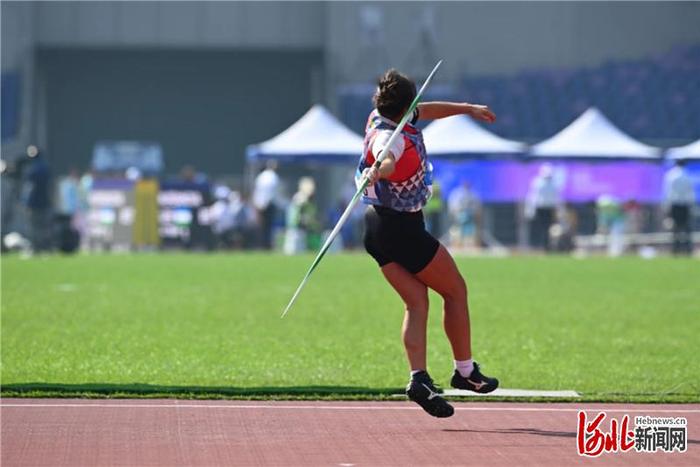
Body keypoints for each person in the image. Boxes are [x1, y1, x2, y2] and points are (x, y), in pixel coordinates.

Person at [357, 69, 499, 418]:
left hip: (376, 228)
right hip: (401, 229)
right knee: (455, 291)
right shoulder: (391, 138)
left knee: (417, 302)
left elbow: (427, 111)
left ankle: (418, 378)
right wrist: (380, 168)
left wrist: (467, 108)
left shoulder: (380, 115)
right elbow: (386, 156)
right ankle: (465, 372)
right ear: (407, 106)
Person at [525, 164, 562, 252]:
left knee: (548, 228)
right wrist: (530, 209)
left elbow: (556, 198)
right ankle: (538, 245)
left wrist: (558, 209)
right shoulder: (537, 182)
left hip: (550, 208)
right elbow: (533, 196)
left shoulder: (554, 183)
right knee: (540, 228)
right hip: (540, 208)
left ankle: (546, 246)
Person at [663, 160, 696, 255]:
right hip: (685, 204)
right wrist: (692, 206)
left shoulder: (671, 175)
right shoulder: (687, 175)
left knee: (675, 228)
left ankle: (675, 249)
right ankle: (688, 249)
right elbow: (690, 192)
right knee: (686, 228)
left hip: (675, 204)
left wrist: (666, 207)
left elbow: (668, 192)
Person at [252, 160, 280, 250]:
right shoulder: (273, 177)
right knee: (268, 227)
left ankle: (262, 245)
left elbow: (257, 191)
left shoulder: (261, 176)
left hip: (260, 204)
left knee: (262, 227)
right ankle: (267, 245)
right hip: (269, 204)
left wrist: (257, 204)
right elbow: (273, 193)